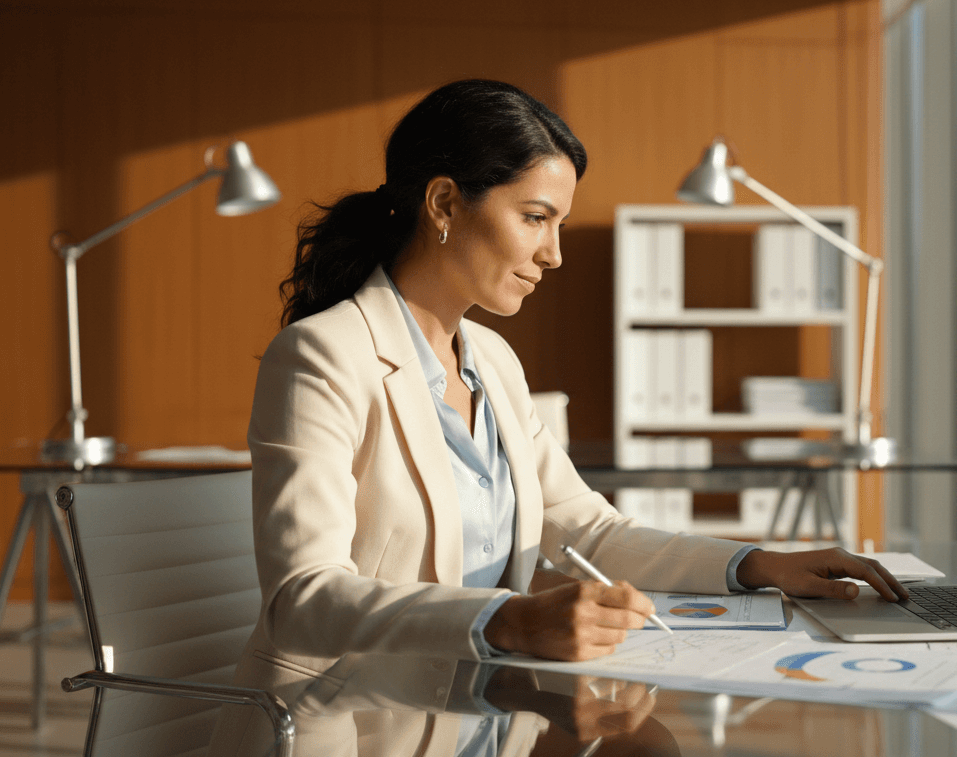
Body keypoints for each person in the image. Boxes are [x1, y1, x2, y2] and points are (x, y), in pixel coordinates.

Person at [210, 79, 906, 754]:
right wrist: (508, 619)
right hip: (349, 725)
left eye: (559, 223)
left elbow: (592, 529)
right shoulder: (322, 355)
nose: (555, 253)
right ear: (445, 203)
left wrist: (756, 565)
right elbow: (302, 599)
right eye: (535, 218)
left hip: (477, 713)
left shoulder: (493, 361)